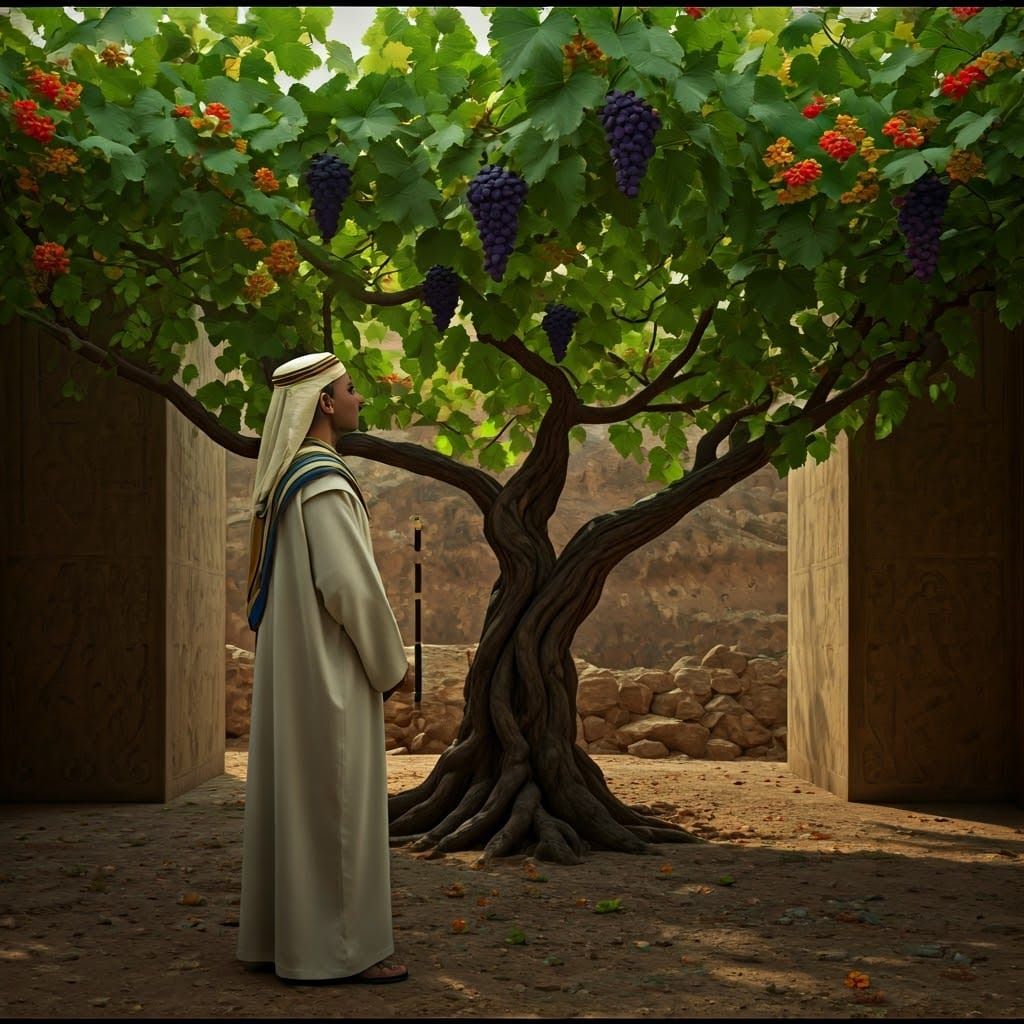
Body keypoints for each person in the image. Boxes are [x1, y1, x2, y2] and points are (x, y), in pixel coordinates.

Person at [237, 351, 411, 984]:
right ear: (325, 404)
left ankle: (278, 940)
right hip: (330, 671)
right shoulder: (322, 483)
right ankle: (339, 951)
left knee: (300, 801)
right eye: (349, 389)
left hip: (298, 673)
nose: (360, 397)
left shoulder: (288, 483)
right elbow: (349, 589)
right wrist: (390, 665)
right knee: (335, 806)